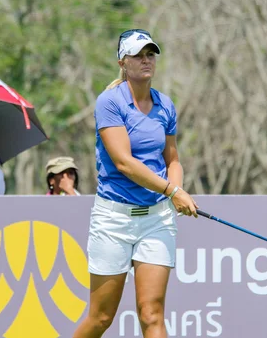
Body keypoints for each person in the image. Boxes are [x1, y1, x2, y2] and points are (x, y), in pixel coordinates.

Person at [72, 29, 199, 338]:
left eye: (150, 54)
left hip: (156, 219)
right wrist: (172, 191)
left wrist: (176, 191)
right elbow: (124, 162)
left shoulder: (165, 105)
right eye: (138, 55)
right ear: (122, 62)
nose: (146, 60)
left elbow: (173, 160)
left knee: (152, 313)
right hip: (113, 218)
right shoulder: (109, 102)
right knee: (101, 317)